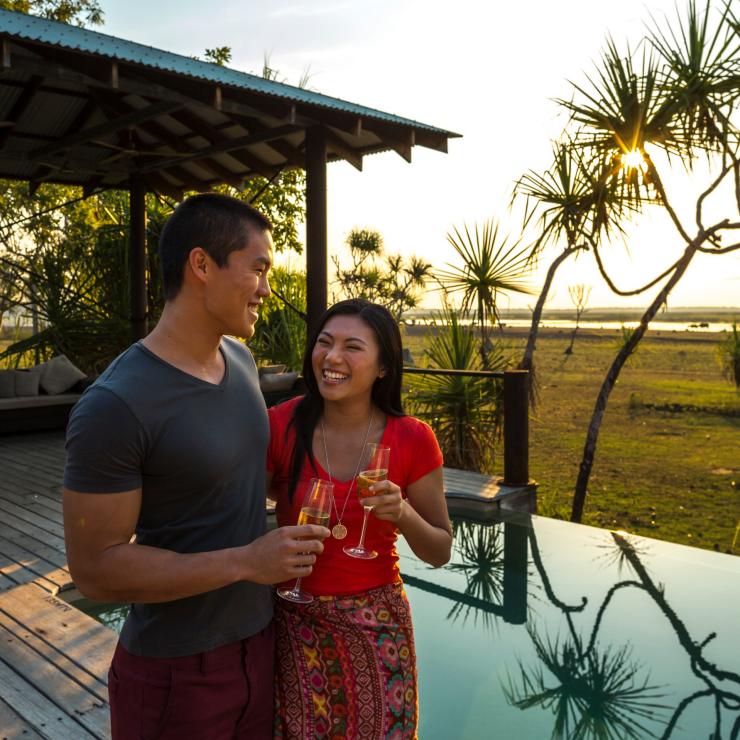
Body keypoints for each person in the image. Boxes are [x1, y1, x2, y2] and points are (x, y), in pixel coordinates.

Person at [62, 193, 329, 740]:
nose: (267, 289)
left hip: (260, 646)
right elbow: (95, 570)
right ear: (202, 265)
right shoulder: (116, 403)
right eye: (258, 269)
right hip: (174, 674)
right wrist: (246, 562)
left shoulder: (241, 360)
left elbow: (234, 480)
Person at [267, 298, 453, 739]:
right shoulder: (281, 424)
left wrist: (403, 512)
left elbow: (440, 550)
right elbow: (235, 504)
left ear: (383, 367)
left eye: (352, 347)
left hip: (377, 625)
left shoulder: (412, 438)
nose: (332, 358)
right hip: (296, 621)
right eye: (325, 343)